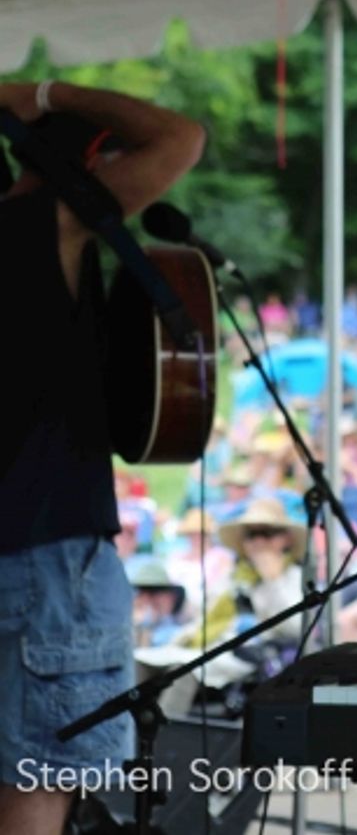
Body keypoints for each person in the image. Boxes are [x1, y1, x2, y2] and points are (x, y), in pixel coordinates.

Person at [0, 81, 204, 834]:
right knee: (37, 783)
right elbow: (180, 138)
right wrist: (44, 93)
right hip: (47, 557)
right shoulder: (39, 227)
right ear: (88, 166)